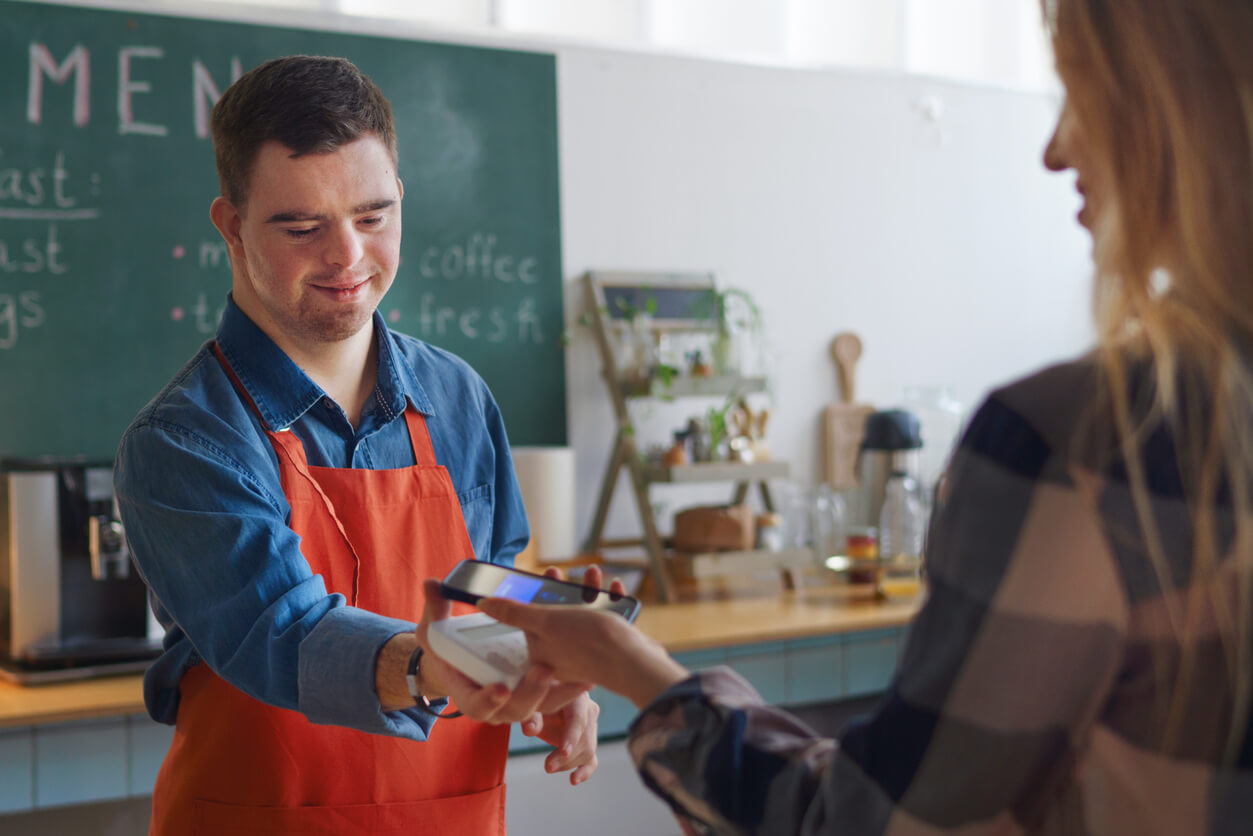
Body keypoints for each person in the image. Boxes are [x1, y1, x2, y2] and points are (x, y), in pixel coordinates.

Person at [477, 2, 1253, 832]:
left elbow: (867, 824)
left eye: (1082, 96)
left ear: (1182, 106)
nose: (1054, 148)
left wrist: (646, 678)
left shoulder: (1074, 438)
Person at [114, 55, 601, 836]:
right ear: (232, 226)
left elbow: (495, 580)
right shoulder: (185, 439)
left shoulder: (457, 397)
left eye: (372, 217)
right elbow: (283, 630)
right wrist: (432, 665)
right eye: (302, 227)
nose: (346, 257)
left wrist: (550, 658)